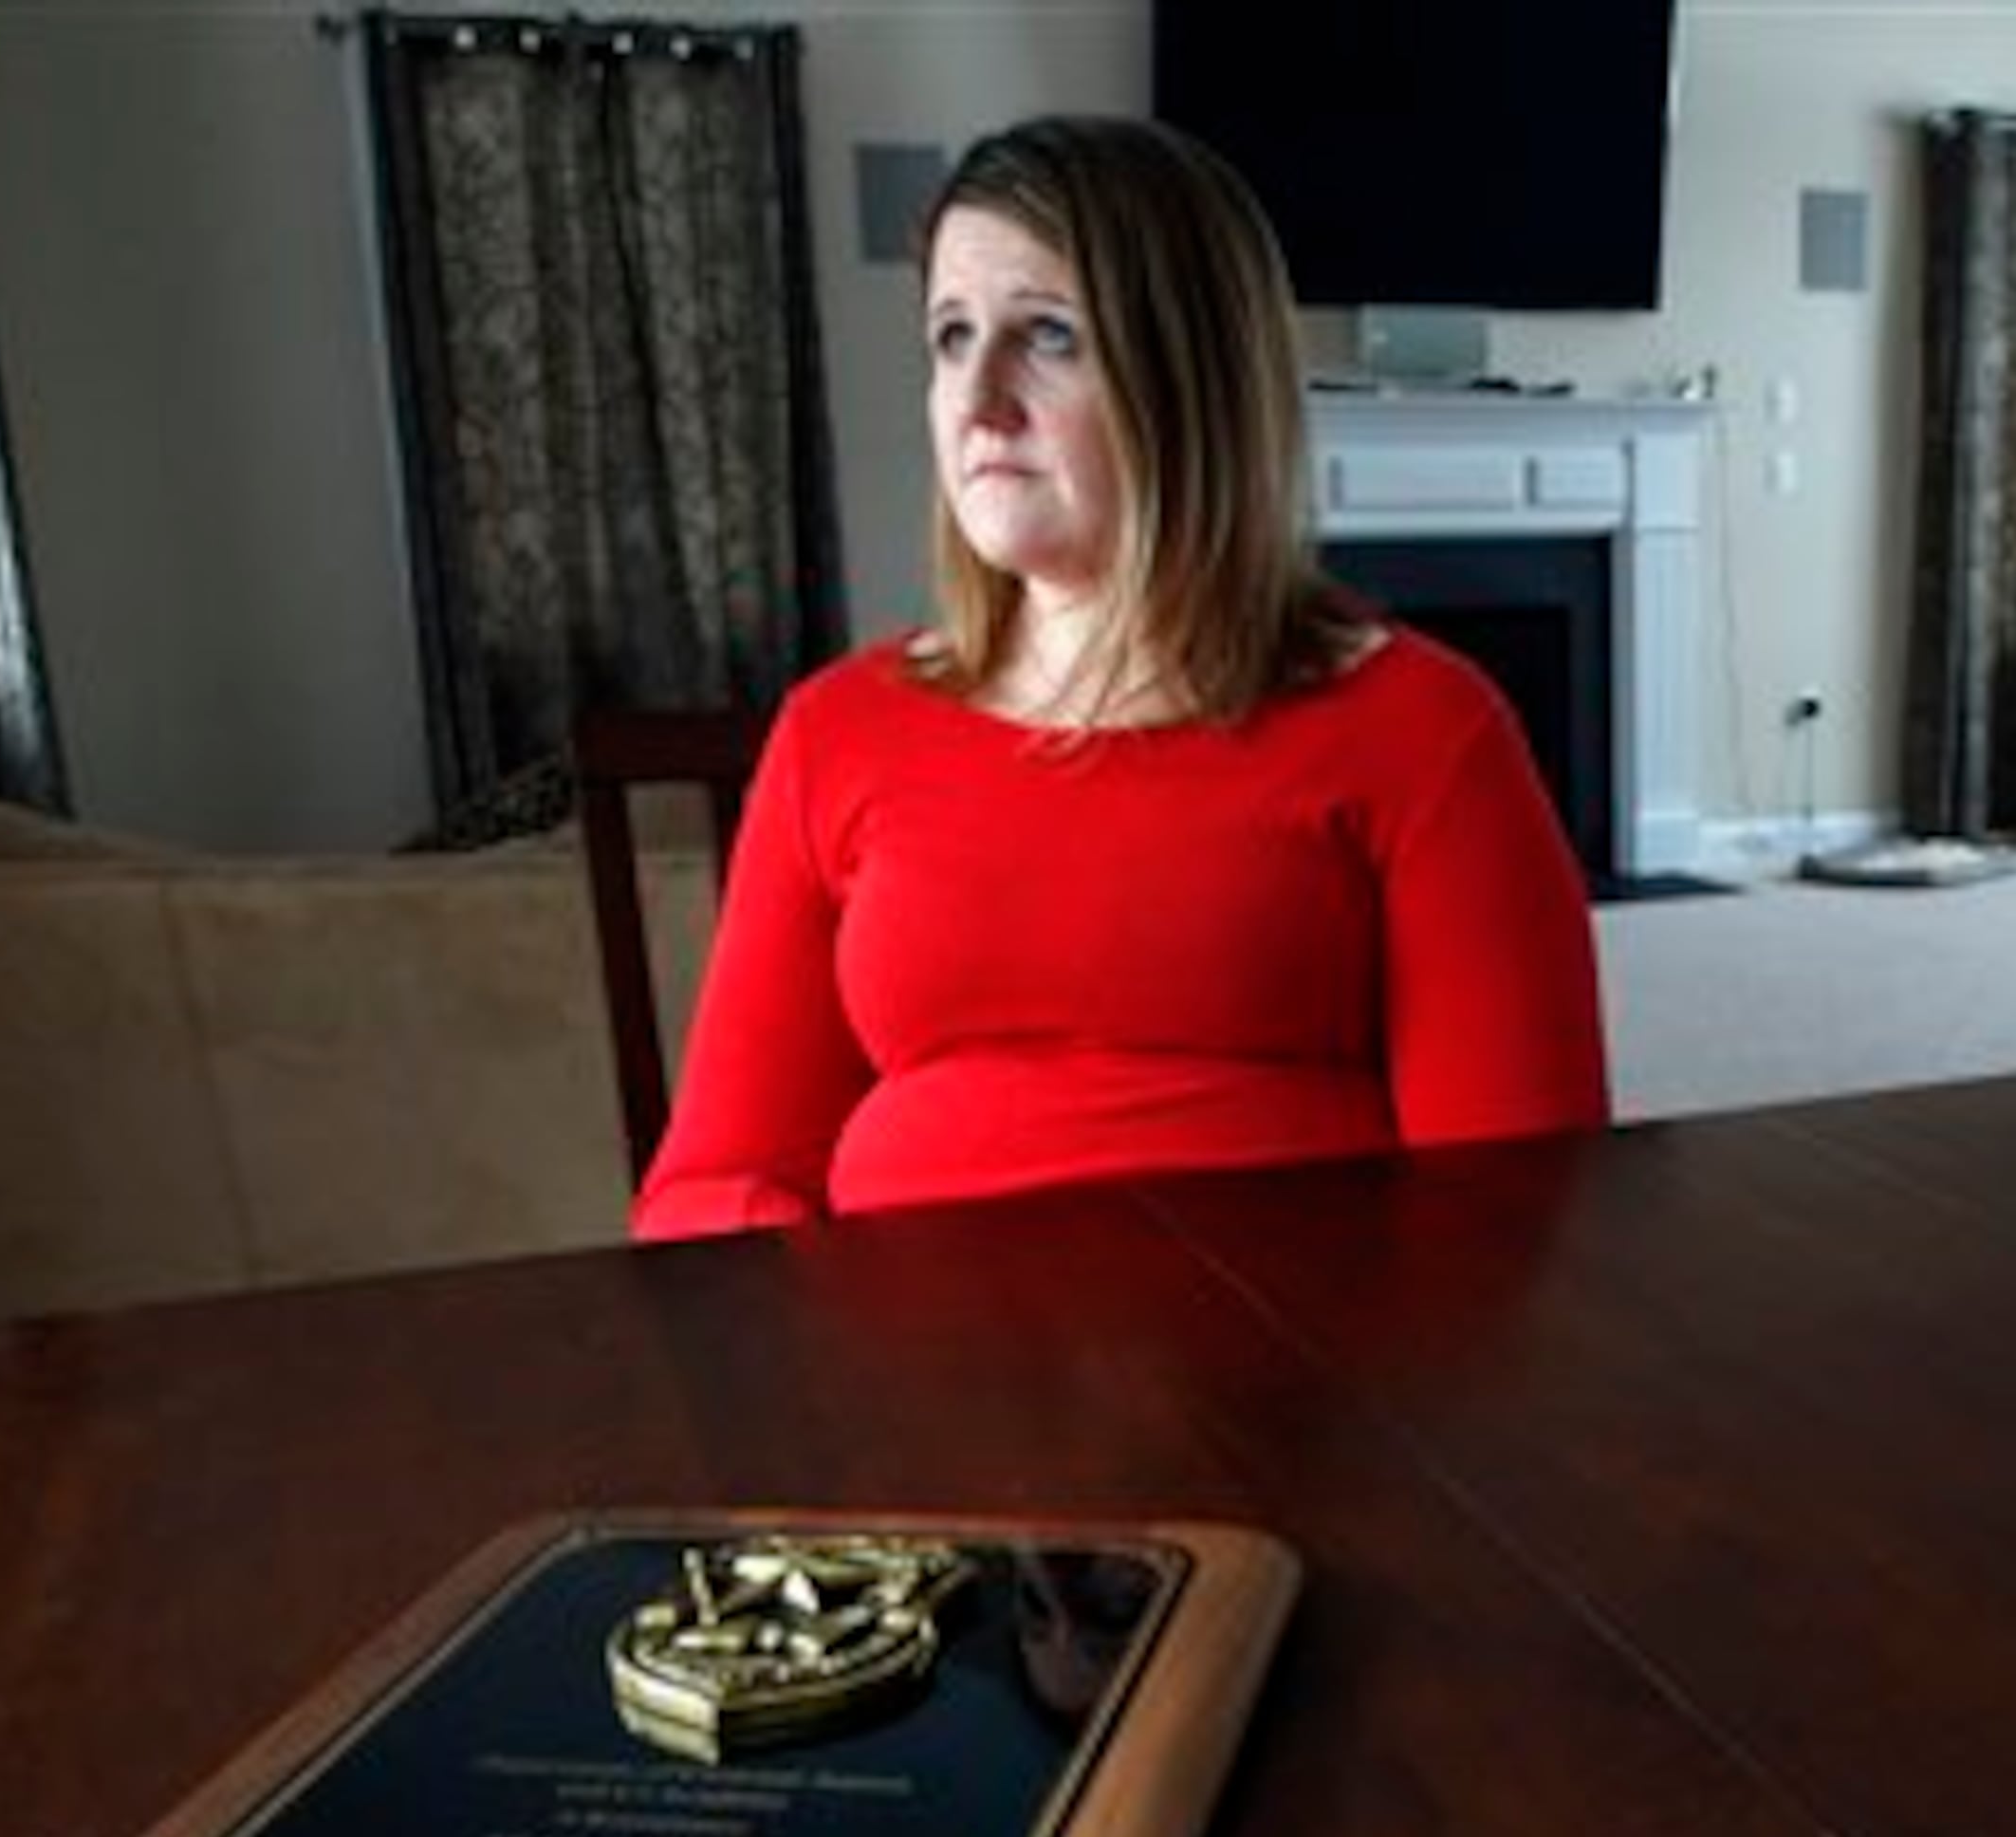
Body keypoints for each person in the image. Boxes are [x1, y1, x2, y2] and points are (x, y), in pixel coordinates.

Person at [633, 115, 1610, 1241]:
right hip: (906, 1384)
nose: (979, 398)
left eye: (1048, 335)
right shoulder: (836, 731)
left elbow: (1514, 1211)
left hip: (1289, 1385)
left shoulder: (1421, 729)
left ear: (1191, 379)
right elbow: (718, 1181)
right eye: (951, 336)